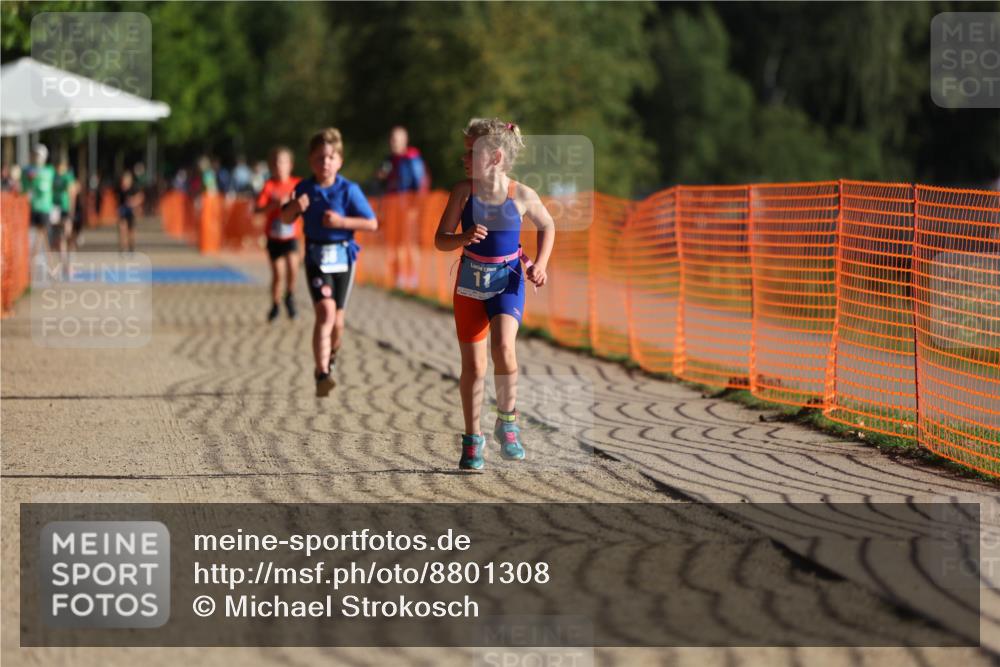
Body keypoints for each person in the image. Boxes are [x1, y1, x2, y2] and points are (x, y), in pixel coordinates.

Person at [434, 118, 555, 471]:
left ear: (496, 157)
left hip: (508, 278)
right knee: (474, 365)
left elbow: (547, 224)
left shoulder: (521, 194)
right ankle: (473, 441)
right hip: (471, 281)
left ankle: (508, 422)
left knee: (504, 347)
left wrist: (541, 264)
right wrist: (462, 238)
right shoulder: (462, 192)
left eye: (472, 152)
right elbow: (440, 240)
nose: (464, 158)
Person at [279, 128, 378, 397]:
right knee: (325, 312)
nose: (325, 163)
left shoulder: (349, 190)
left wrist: (342, 222)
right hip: (315, 257)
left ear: (339, 161)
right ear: (311, 160)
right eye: (320, 157)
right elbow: (285, 219)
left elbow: (371, 222)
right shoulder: (305, 188)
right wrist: (296, 206)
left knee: (338, 323)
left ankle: (331, 357)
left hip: (344, 258)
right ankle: (322, 372)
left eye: (330, 157)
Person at [377, 126, 429, 290]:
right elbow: (383, 183)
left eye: (396, 138)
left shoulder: (412, 158)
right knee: (395, 243)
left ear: (404, 140)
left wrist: (415, 208)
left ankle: (413, 279)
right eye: (391, 138)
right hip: (392, 207)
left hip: (408, 208)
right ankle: (398, 278)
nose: (393, 142)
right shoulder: (389, 160)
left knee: (409, 243)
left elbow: (419, 184)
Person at [256, 146, 302, 321]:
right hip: (274, 236)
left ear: (290, 165)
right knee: (278, 273)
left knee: (293, 267)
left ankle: (290, 297)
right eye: (276, 162)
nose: (279, 165)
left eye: (283, 161)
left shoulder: (297, 184)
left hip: (291, 236)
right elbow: (257, 210)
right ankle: (275, 304)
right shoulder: (269, 186)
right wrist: (273, 205)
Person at [21, 144, 56, 259]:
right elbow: (24, 189)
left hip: (44, 208)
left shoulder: (48, 171)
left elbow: (44, 180)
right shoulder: (27, 171)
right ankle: (36, 261)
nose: (36, 158)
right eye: (35, 155)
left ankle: (39, 260)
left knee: (42, 234)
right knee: (35, 235)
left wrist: (33, 176)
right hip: (30, 208)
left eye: (39, 156)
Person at [52, 158, 78, 261]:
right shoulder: (53, 177)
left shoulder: (68, 178)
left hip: (66, 208)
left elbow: (72, 194)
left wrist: (72, 210)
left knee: (67, 233)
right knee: (59, 235)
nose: (59, 169)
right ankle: (62, 258)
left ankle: (71, 249)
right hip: (55, 208)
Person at [116, 170, 144, 253]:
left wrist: (134, 202)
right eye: (124, 179)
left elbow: (141, 196)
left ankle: (131, 248)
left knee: (130, 231)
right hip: (123, 210)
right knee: (122, 229)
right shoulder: (120, 188)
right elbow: (117, 199)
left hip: (131, 211)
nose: (126, 181)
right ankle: (122, 247)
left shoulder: (134, 188)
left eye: (127, 179)